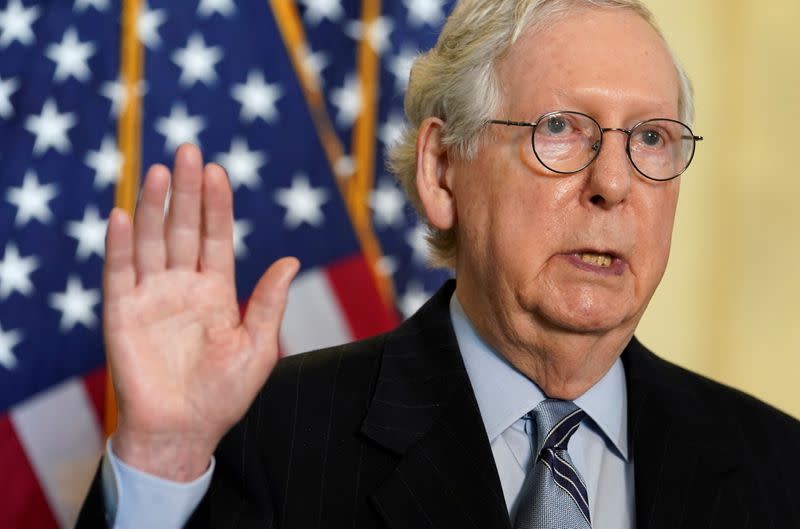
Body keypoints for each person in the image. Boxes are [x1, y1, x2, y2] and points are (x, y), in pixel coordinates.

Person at [77, 0, 800, 528]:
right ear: (442, 169)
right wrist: (163, 462)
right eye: (560, 129)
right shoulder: (271, 437)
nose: (612, 183)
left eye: (650, 138)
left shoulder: (778, 467)